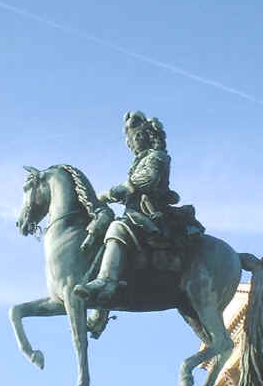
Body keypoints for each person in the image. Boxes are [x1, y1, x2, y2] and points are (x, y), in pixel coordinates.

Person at [74, 111, 202, 303]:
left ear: (145, 136)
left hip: (153, 213)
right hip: (136, 212)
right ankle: (102, 310)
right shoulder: (140, 160)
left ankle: (106, 280)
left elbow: (146, 180)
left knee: (117, 227)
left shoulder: (157, 157)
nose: (129, 143)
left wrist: (109, 194)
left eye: (133, 138)